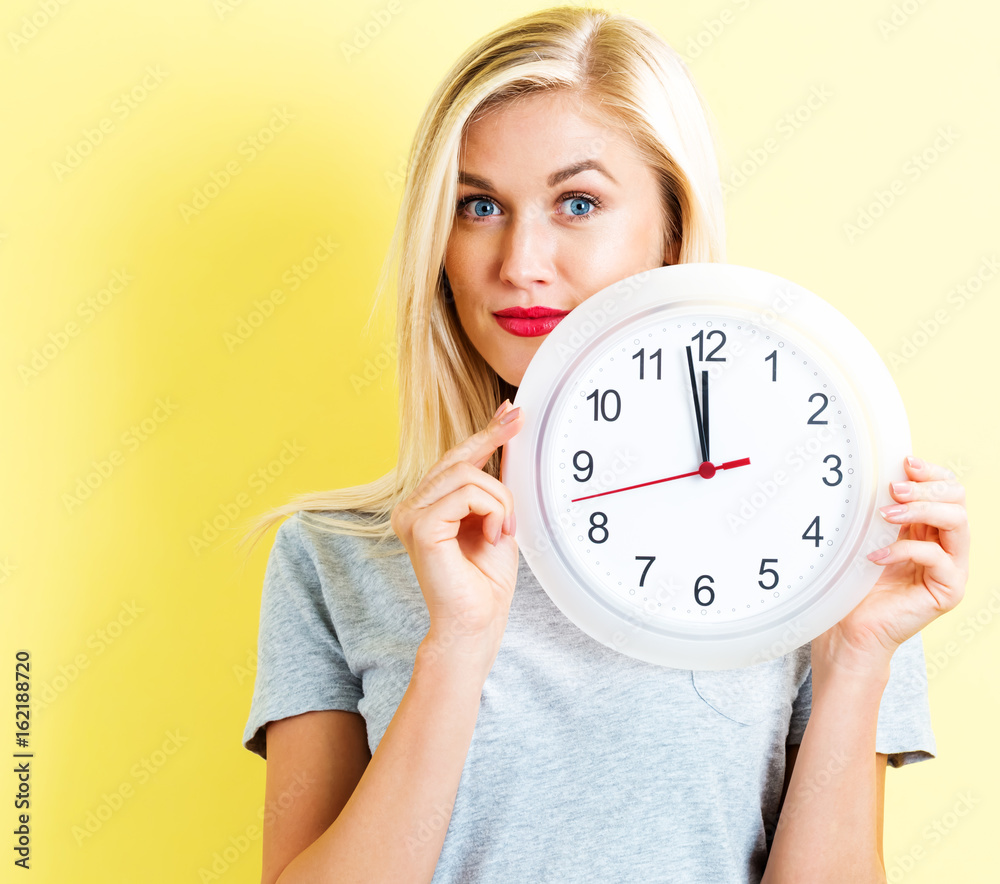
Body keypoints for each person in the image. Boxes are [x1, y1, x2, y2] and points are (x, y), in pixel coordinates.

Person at [238, 6, 970, 882]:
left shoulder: (821, 540)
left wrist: (854, 662)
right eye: (478, 206)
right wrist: (458, 646)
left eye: (577, 202)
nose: (521, 261)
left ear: (670, 229)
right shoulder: (333, 559)